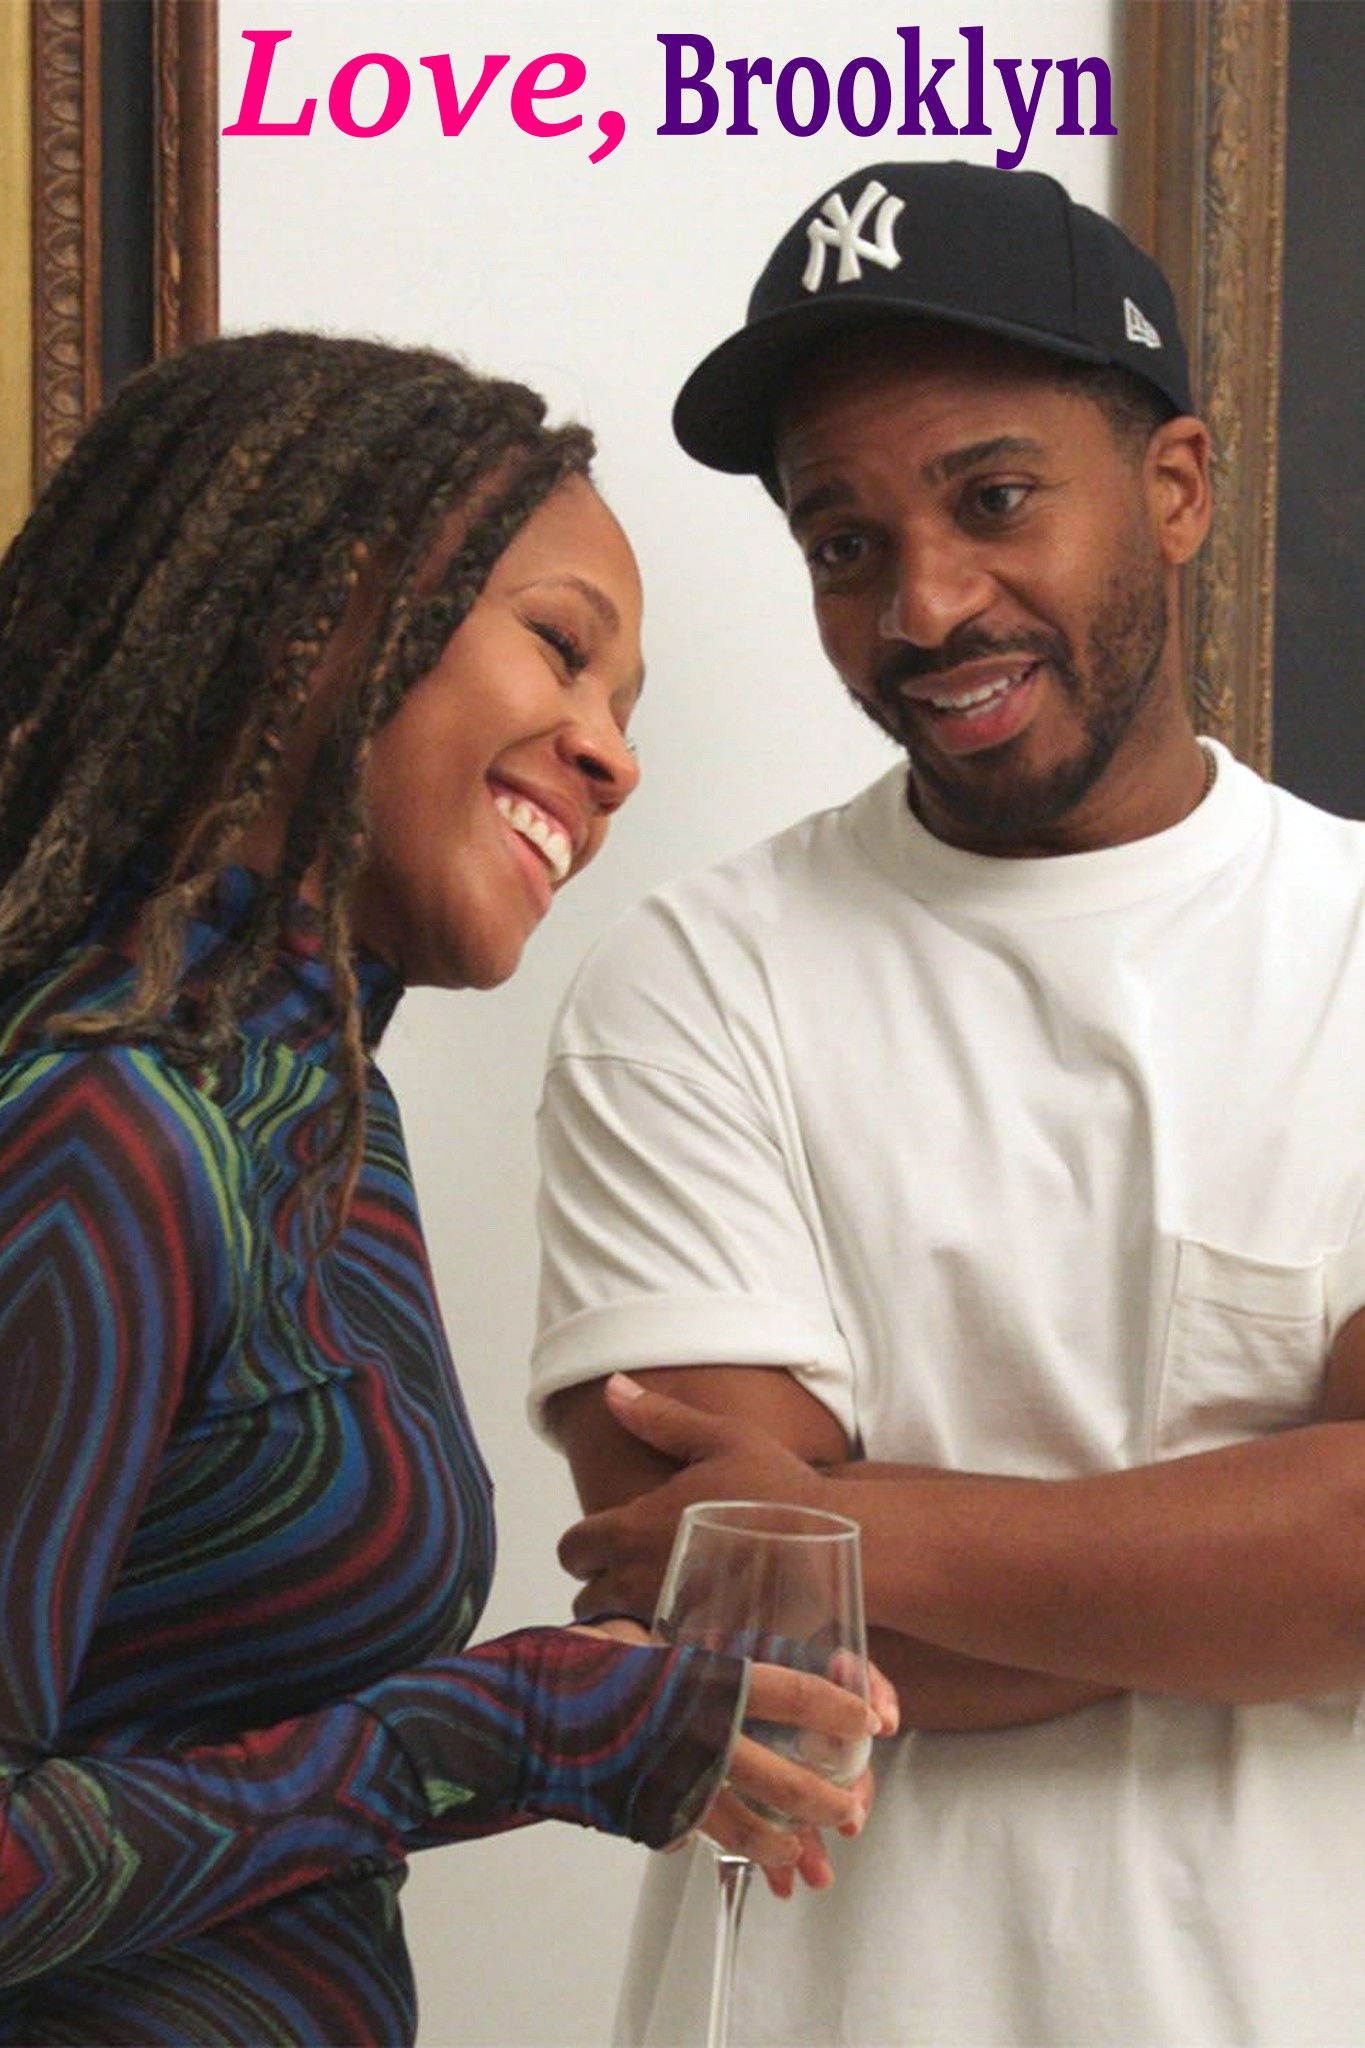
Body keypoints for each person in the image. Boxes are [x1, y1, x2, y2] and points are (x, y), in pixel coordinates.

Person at [532, 159, 1365, 2047]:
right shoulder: (691, 983)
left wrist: (844, 1529)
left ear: (1174, 487)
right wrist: (1243, 1564)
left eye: (993, 500)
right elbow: (744, 1635)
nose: (922, 604)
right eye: (842, 543)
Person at [0, 331, 890, 2048]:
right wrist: (483, 1734)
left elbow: (254, 1761)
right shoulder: (100, 1123)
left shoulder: (331, 1121)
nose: (610, 757)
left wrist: (592, 1723)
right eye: (560, 648)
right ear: (318, 611)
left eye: (625, 711)